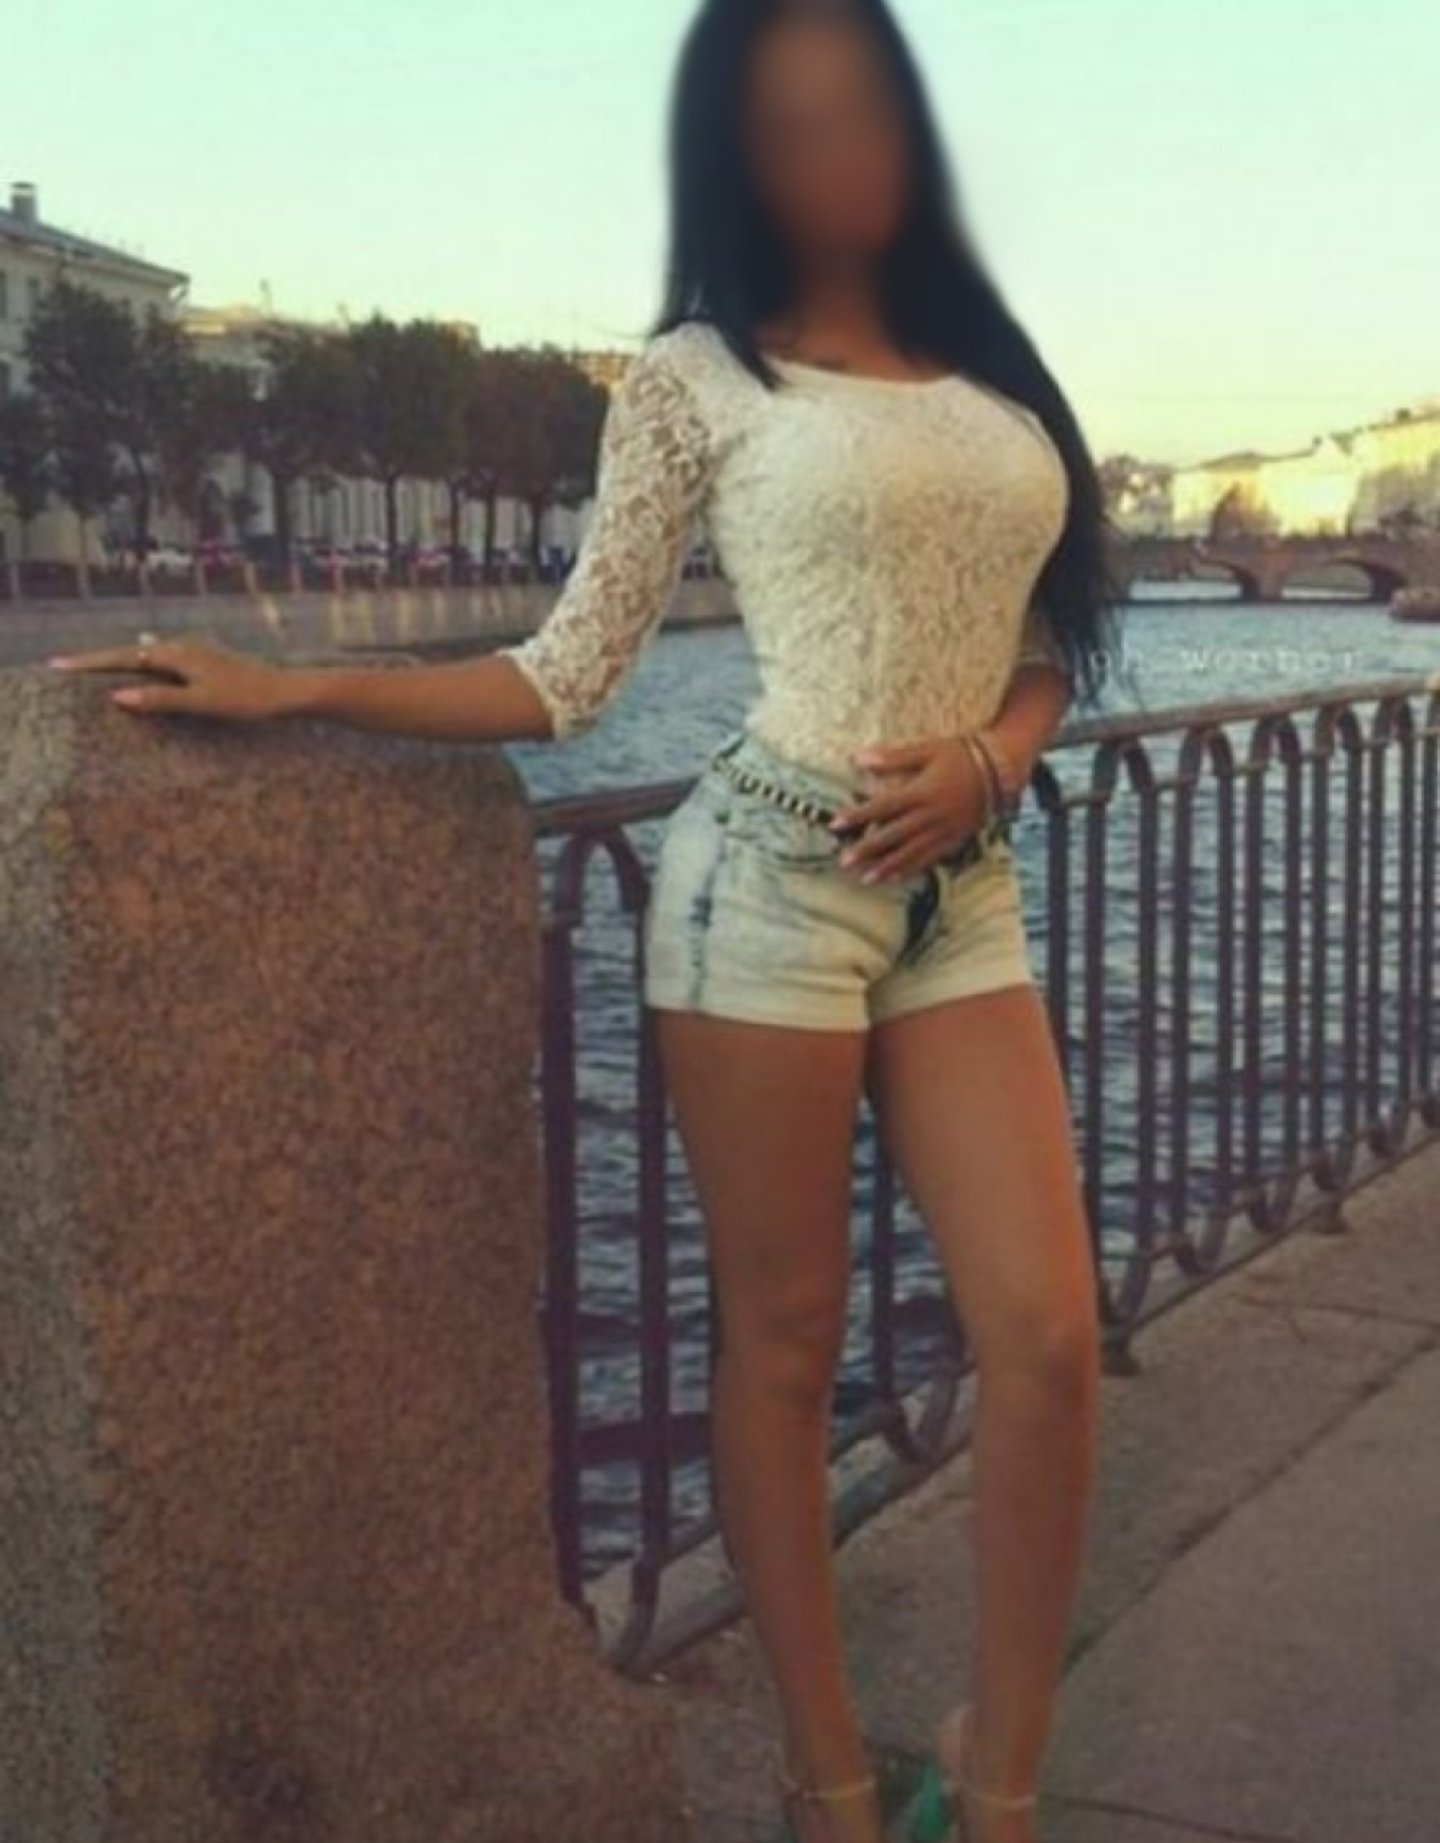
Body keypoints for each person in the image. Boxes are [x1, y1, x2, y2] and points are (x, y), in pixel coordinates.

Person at [49, 3, 1125, 1838]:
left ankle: (1002, 1788)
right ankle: (829, 1784)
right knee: (781, 1345)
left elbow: (1037, 646)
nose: (838, 159)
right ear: (736, 158)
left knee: (1046, 1337)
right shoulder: (696, 379)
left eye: (862, 114)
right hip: (761, 891)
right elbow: (565, 676)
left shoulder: (986, 364)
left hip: (961, 890)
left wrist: (990, 763)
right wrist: (297, 687)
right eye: (791, 128)